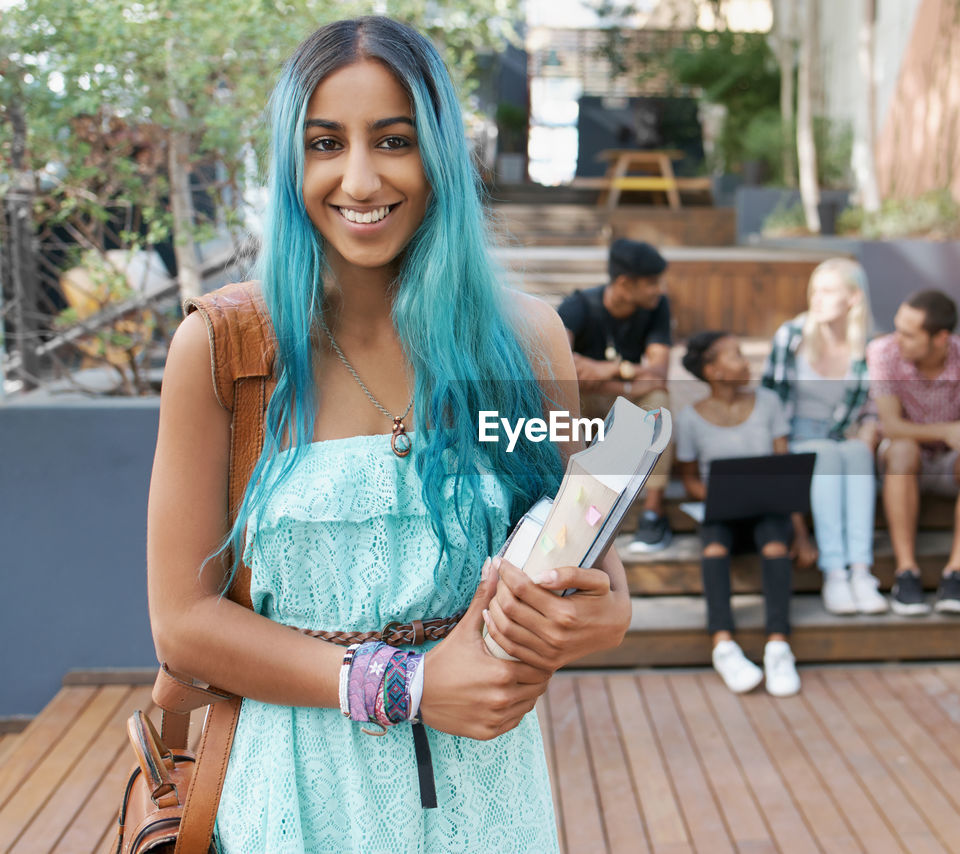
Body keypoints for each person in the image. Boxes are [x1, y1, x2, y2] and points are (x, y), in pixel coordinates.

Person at [147, 17, 630, 852]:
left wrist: (595, 617)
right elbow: (183, 622)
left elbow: (591, 564)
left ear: (440, 154)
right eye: (326, 142)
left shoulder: (526, 343)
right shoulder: (225, 352)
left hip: (488, 799)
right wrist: (403, 685)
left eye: (394, 140)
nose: (360, 179)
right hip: (295, 801)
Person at [675, 330, 817, 697]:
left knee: (774, 546)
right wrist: (719, 495)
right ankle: (723, 645)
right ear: (713, 370)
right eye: (735, 355)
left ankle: (778, 645)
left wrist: (800, 534)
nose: (745, 362)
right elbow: (689, 478)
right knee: (714, 549)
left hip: (770, 507)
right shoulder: (690, 418)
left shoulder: (768, 403)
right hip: (721, 510)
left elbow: (785, 471)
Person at [866, 289, 960, 617]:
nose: (897, 339)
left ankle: (955, 574)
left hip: (951, 462)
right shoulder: (883, 352)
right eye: (897, 328)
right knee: (902, 450)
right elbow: (891, 426)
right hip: (904, 458)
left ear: (940, 338)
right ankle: (906, 573)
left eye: (908, 333)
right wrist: (949, 428)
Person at [761, 257, 885, 617]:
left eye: (828, 290)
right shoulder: (792, 336)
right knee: (827, 456)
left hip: (843, 437)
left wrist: (869, 432)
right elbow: (770, 401)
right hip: (796, 436)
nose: (816, 298)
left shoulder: (871, 348)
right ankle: (834, 572)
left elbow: (877, 406)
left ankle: (861, 572)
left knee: (858, 454)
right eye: (814, 289)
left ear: (854, 298)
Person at [557, 237, 675, 551]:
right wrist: (627, 379)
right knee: (558, 400)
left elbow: (659, 374)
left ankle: (652, 512)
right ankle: (564, 503)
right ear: (624, 283)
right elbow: (558, 368)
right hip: (584, 401)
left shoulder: (657, 307)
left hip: (623, 396)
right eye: (652, 283)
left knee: (659, 402)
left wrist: (612, 370)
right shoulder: (578, 306)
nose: (659, 289)